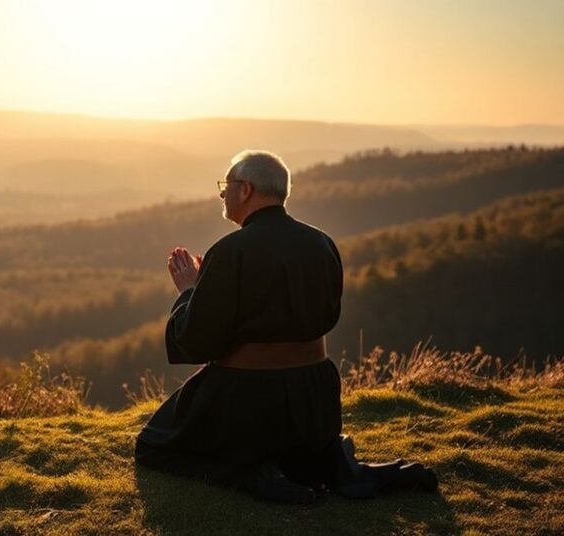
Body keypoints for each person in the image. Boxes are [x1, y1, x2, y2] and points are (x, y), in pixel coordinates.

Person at [133, 150, 437, 504]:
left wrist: (189, 292)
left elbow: (197, 341)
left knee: (153, 446)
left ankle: (255, 475)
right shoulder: (321, 243)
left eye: (226, 186)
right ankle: (330, 465)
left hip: (248, 395)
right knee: (303, 457)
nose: (222, 194)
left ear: (246, 189)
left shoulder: (230, 251)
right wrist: (209, 287)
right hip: (314, 395)